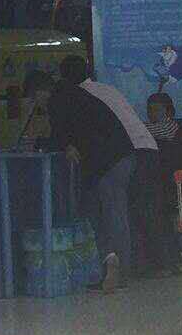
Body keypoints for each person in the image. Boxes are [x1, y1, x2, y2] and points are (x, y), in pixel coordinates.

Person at [38, 56, 155, 292]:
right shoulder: (95, 92)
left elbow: (60, 134)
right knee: (117, 213)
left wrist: (53, 143)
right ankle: (118, 265)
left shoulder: (61, 99)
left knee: (111, 214)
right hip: (127, 153)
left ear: (41, 91)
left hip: (108, 161)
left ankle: (116, 268)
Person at [139, 93, 182, 276]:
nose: (152, 114)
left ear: (168, 112)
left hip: (171, 185)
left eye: (156, 110)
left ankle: (166, 263)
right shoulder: (170, 130)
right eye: (149, 110)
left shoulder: (171, 131)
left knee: (162, 224)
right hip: (164, 185)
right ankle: (169, 262)